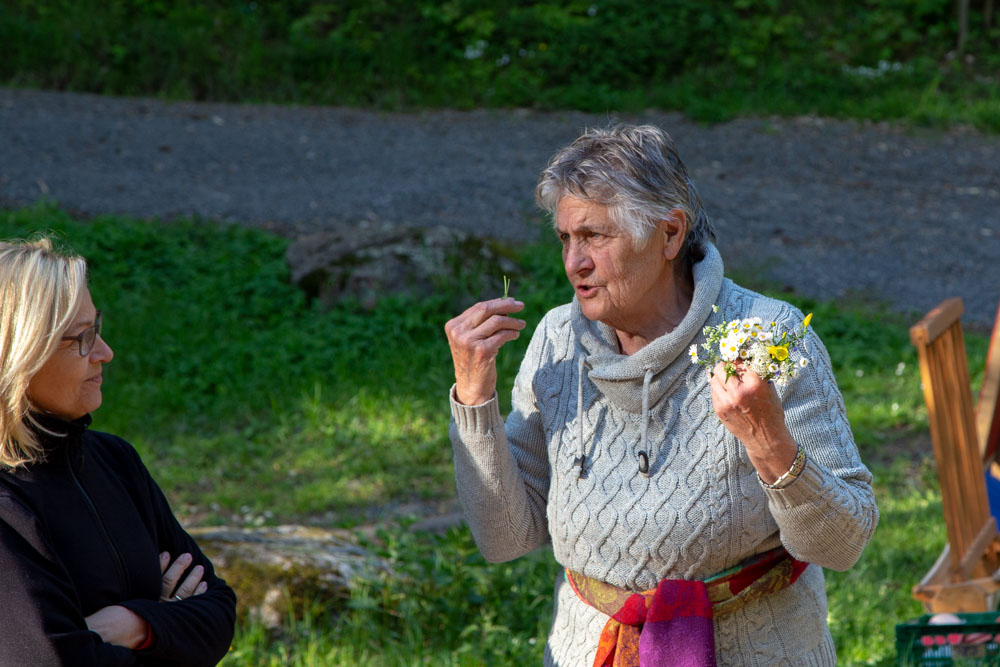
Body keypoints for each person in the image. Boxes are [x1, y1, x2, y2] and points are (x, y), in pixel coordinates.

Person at [445, 124, 878, 665]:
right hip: (594, 651)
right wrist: (474, 397)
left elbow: (843, 544)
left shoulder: (768, 336)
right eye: (565, 238)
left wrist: (769, 443)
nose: (574, 262)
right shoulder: (557, 342)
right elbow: (504, 536)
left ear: (670, 234)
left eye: (596, 236)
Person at [0, 237, 236, 665]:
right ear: (20, 355)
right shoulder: (6, 506)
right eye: (84, 339)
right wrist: (168, 624)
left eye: (99, 329)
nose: (106, 354)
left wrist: (132, 626)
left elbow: (218, 612)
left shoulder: (114, 461)